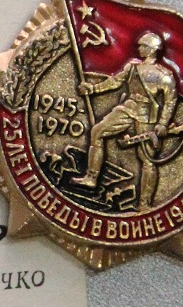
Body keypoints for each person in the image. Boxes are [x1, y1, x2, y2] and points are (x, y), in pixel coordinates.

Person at [71, 32, 176, 195]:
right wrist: (93, 89)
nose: (139, 49)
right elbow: (115, 82)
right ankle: (91, 178)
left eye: (143, 46)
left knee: (147, 159)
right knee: (97, 131)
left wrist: (163, 123)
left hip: (147, 115)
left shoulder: (164, 76)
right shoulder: (133, 66)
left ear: (151, 50)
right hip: (128, 108)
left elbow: (170, 101)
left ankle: (145, 203)